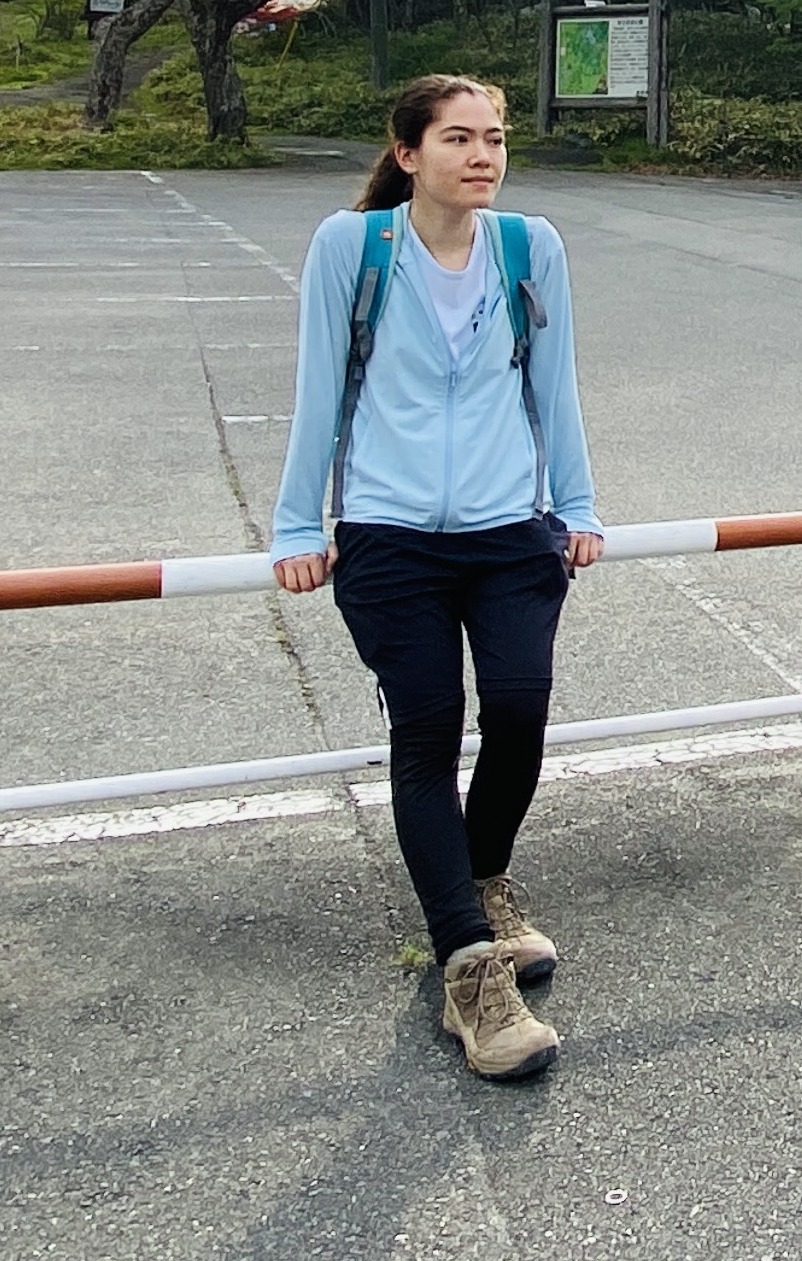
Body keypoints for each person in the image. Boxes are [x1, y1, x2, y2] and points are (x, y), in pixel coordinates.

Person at [269, 74, 602, 1080]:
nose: (484, 156)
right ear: (410, 153)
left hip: (510, 529)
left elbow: (555, 382)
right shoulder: (353, 248)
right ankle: (471, 973)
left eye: (495, 139)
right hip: (389, 534)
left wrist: (576, 508)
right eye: (459, 138)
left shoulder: (527, 246)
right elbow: (320, 385)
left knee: (519, 708)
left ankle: (484, 879)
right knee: (425, 728)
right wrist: (297, 522)